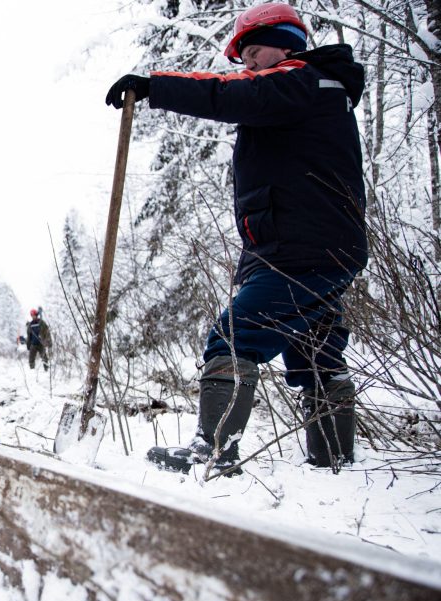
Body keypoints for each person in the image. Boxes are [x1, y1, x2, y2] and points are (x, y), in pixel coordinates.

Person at [105, 3, 367, 475]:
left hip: (298, 252)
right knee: (316, 351)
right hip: (320, 250)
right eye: (243, 55)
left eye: (255, 50)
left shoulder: (296, 81)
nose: (248, 62)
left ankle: (215, 453)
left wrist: (153, 86)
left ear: (287, 43)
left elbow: (227, 94)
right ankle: (335, 459)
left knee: (233, 336)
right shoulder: (319, 92)